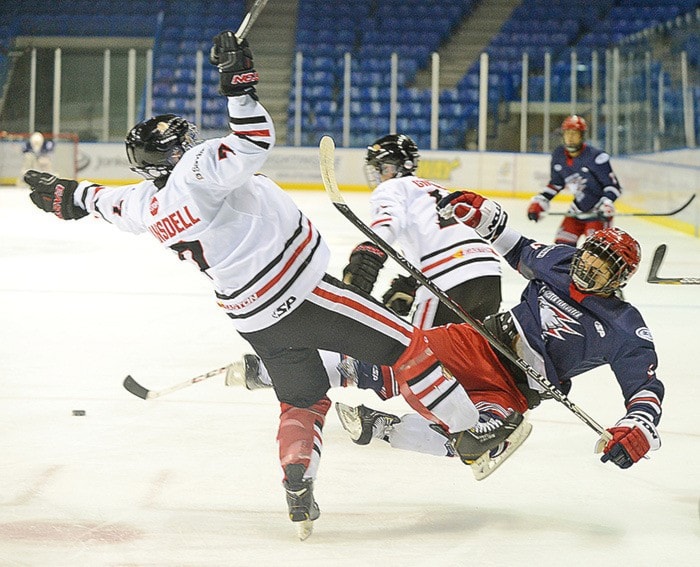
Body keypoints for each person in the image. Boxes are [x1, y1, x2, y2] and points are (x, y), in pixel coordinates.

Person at [23, 32, 531, 539]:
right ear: (175, 154)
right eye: (184, 142)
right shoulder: (198, 171)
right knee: (411, 347)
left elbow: (99, 202)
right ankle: (473, 432)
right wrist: (239, 83)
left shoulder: (145, 202)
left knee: (303, 399)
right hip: (302, 291)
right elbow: (251, 142)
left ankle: (297, 490)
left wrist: (62, 194)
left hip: (252, 318)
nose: (192, 144)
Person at [337, 190, 664, 473]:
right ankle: (328, 370)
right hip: (480, 342)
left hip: (519, 387)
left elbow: (645, 388)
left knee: (482, 440)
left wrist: (638, 427)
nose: (589, 266)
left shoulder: (624, 327)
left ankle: (379, 426)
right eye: (590, 255)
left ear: (617, 280)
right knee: (405, 353)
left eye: (602, 266)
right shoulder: (561, 261)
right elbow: (521, 250)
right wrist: (482, 217)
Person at [240, 133, 504, 401]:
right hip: (488, 276)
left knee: (411, 356)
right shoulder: (437, 190)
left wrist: (367, 260)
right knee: (461, 357)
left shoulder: (392, 189)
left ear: (403, 167)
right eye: (379, 169)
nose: (380, 176)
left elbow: (386, 227)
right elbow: (446, 239)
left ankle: (275, 372)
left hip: (447, 280)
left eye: (384, 168)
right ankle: (485, 410)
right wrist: (411, 284)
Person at [526, 115, 622, 246]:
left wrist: (607, 202)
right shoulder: (558, 155)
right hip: (576, 211)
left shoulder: (596, 157)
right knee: (561, 248)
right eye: (567, 133)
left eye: (574, 133)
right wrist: (541, 200)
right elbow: (556, 183)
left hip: (597, 213)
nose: (570, 137)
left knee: (596, 254)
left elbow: (613, 187)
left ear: (582, 136)